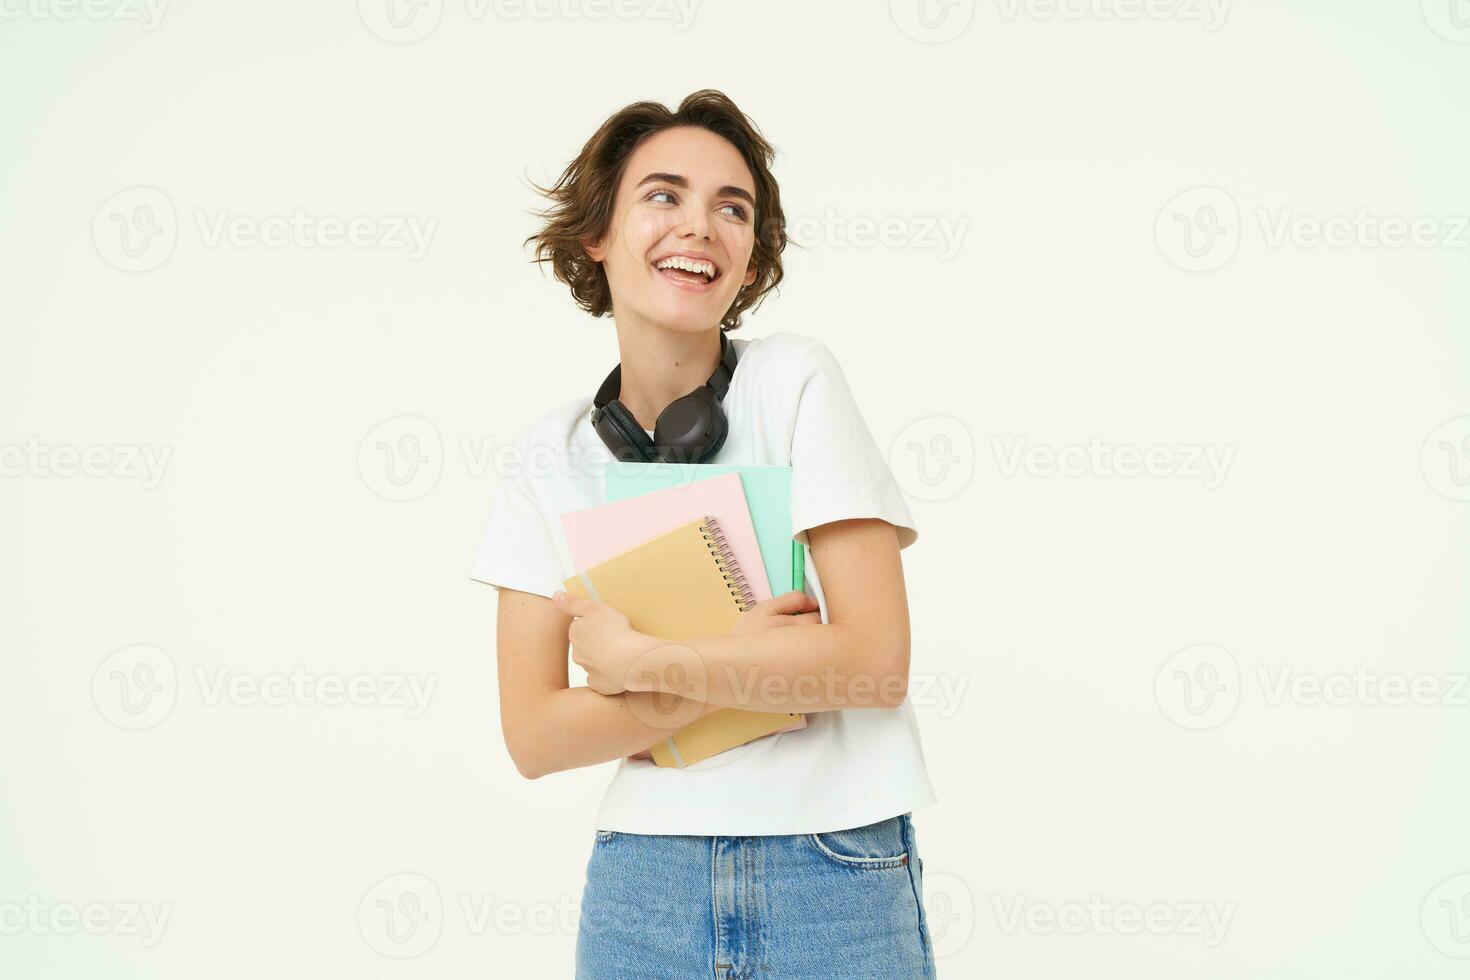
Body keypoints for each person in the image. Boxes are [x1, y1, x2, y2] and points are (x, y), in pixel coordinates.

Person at [470, 89, 939, 979]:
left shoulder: (795, 382)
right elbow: (534, 736)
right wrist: (749, 666)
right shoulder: (548, 455)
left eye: (734, 209)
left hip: (833, 870)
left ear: (751, 259)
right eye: (663, 195)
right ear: (595, 235)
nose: (702, 226)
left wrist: (642, 665)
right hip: (645, 885)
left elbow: (873, 665)